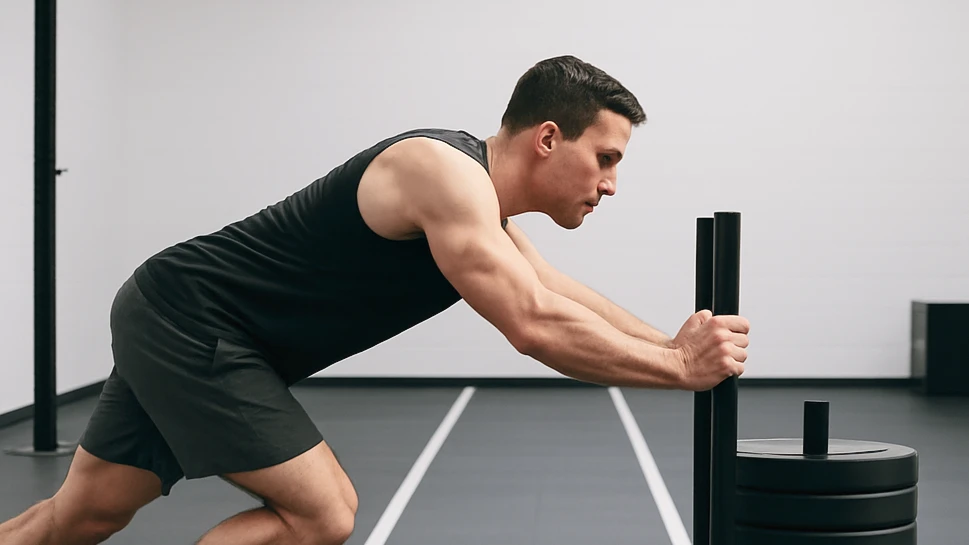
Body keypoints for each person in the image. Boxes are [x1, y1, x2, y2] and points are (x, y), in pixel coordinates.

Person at [0, 55, 749, 545]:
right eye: (605, 158)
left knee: (81, 515)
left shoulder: (479, 205)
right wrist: (680, 369)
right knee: (322, 513)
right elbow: (533, 324)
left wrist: (670, 343)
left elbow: (557, 290)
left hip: (180, 315)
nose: (611, 183)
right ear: (548, 138)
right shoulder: (442, 173)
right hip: (194, 319)